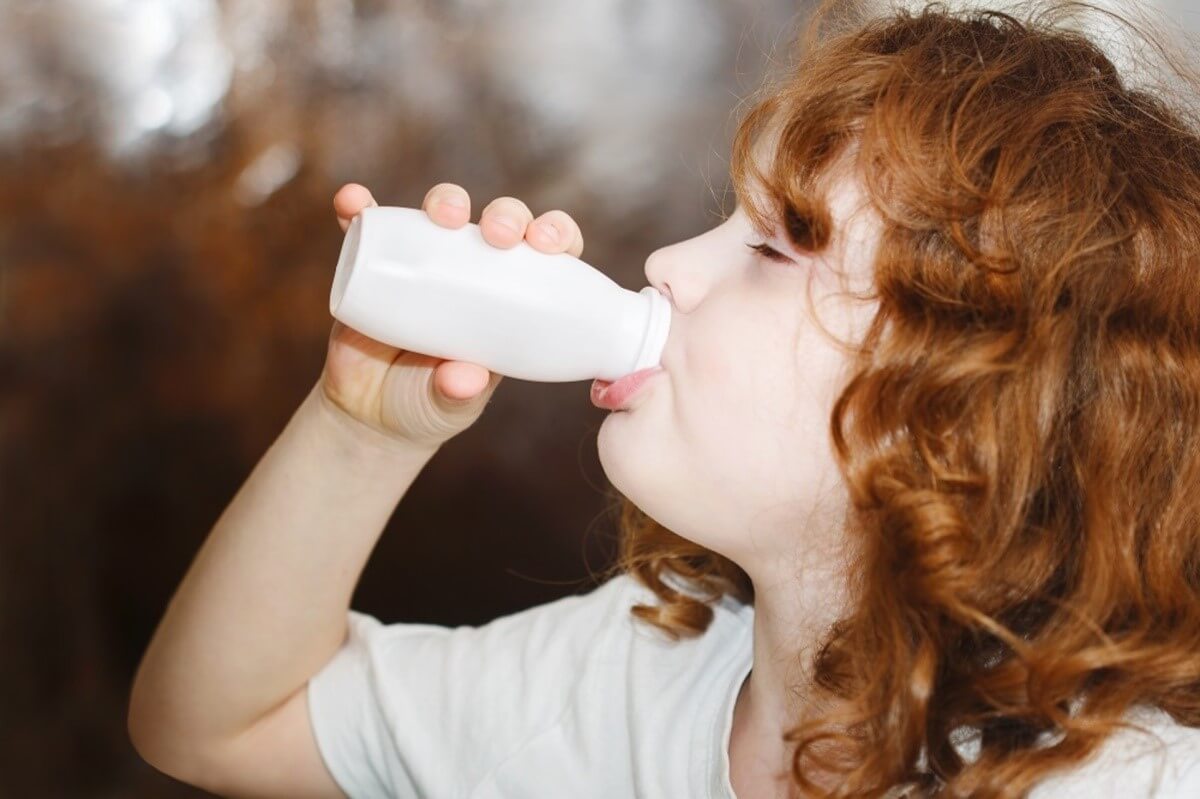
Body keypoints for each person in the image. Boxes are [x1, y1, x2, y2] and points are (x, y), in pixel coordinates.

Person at [127, 1, 1200, 796]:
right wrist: (357, 429)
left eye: (774, 250)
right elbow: (216, 727)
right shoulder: (632, 675)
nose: (669, 264)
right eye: (719, 219)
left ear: (961, 414)